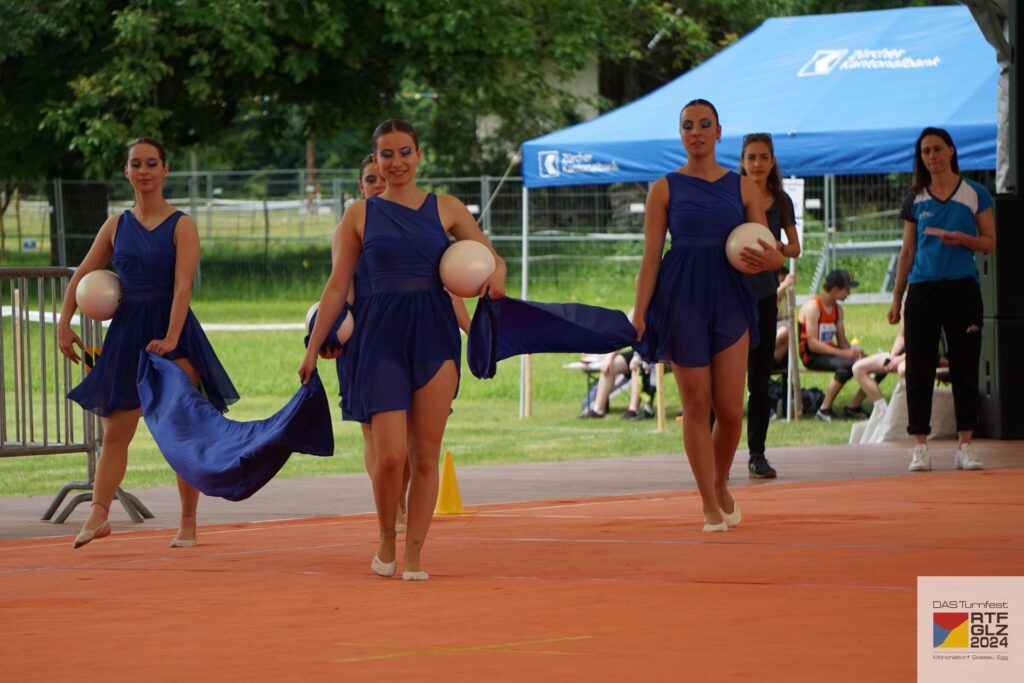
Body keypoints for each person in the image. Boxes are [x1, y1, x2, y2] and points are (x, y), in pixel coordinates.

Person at [299, 120, 505, 580]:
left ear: (419, 155)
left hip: (433, 335)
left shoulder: (447, 208)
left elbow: (491, 259)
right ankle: (385, 540)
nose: (395, 163)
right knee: (391, 456)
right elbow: (336, 287)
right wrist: (313, 348)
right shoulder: (358, 215)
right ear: (375, 161)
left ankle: (414, 555)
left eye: (404, 152)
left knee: (425, 454)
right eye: (385, 155)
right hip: (378, 338)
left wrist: (495, 282)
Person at [58, 137, 238, 549]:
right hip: (126, 333)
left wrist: (172, 337)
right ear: (126, 172)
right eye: (136, 164)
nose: (143, 171)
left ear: (165, 170)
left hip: (172, 332)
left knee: (182, 429)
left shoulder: (182, 224)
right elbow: (84, 271)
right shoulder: (116, 224)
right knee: (116, 430)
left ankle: (188, 522)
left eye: (151, 163)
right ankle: (99, 513)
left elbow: (182, 286)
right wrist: (63, 325)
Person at [633, 99, 783, 532]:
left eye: (704, 125)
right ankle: (708, 504)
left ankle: (719, 483)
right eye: (687, 126)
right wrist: (640, 312)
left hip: (732, 298)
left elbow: (772, 254)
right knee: (697, 404)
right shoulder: (664, 188)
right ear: (680, 134)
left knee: (731, 411)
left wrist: (766, 260)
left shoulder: (743, 187)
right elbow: (650, 258)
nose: (695, 132)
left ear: (719, 132)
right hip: (682, 298)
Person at [323, 154, 470, 533]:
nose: (377, 183)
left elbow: (448, 283)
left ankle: (401, 507)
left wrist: (474, 330)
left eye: (379, 177)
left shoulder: (421, 223)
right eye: (370, 178)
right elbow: (340, 289)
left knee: (411, 437)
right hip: (365, 337)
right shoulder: (355, 226)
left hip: (418, 333)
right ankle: (390, 514)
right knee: (376, 436)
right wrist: (325, 336)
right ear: (362, 186)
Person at [888, 126, 995, 472]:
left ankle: (966, 445)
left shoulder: (975, 193)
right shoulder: (915, 200)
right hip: (923, 289)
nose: (932, 156)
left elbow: (989, 241)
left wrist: (964, 239)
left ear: (951, 151)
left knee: (965, 364)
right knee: (919, 366)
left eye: (937, 149)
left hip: (962, 288)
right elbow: (907, 251)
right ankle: (920, 445)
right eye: (925, 152)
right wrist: (897, 297)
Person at [738, 133, 802, 479]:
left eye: (763, 157)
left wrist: (777, 247)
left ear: (772, 161)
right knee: (724, 382)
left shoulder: (780, 200)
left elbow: (795, 249)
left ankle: (757, 454)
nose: (757, 164)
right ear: (743, 161)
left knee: (758, 380)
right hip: (730, 298)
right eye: (751, 157)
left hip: (764, 297)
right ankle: (714, 456)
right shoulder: (730, 195)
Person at [797, 269, 868, 422]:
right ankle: (824, 409)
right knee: (847, 365)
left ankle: (854, 406)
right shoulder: (813, 307)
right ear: (835, 289)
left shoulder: (838, 309)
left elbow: (842, 341)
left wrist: (854, 352)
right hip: (812, 356)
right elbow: (813, 344)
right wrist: (846, 355)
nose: (849, 293)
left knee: (874, 364)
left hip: (830, 353)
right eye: (847, 289)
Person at [851, 319, 906, 414]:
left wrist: (900, 359)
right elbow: (902, 336)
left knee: (903, 370)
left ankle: (906, 412)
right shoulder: (906, 306)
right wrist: (892, 355)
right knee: (858, 367)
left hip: (922, 355)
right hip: (901, 355)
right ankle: (884, 411)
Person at [583, 349, 647, 419]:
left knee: (637, 364)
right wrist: (608, 359)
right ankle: (598, 410)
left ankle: (633, 410)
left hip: (651, 353)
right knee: (611, 365)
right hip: (636, 353)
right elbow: (619, 340)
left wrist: (638, 357)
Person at [773, 268, 797, 367]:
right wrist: (785, 283)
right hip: (772, 326)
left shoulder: (788, 294)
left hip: (784, 324)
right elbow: (774, 296)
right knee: (784, 332)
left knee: (785, 332)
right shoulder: (771, 292)